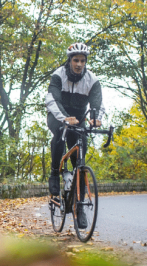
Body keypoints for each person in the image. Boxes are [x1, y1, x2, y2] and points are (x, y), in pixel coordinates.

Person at [45, 42, 105, 228]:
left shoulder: (92, 80)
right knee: (59, 135)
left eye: (82, 61)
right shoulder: (58, 75)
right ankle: (55, 174)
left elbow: (97, 103)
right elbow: (52, 99)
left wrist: (95, 118)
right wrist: (64, 117)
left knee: (80, 158)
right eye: (76, 60)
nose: (79, 64)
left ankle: (79, 208)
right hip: (58, 115)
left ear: (85, 62)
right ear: (69, 60)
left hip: (78, 120)